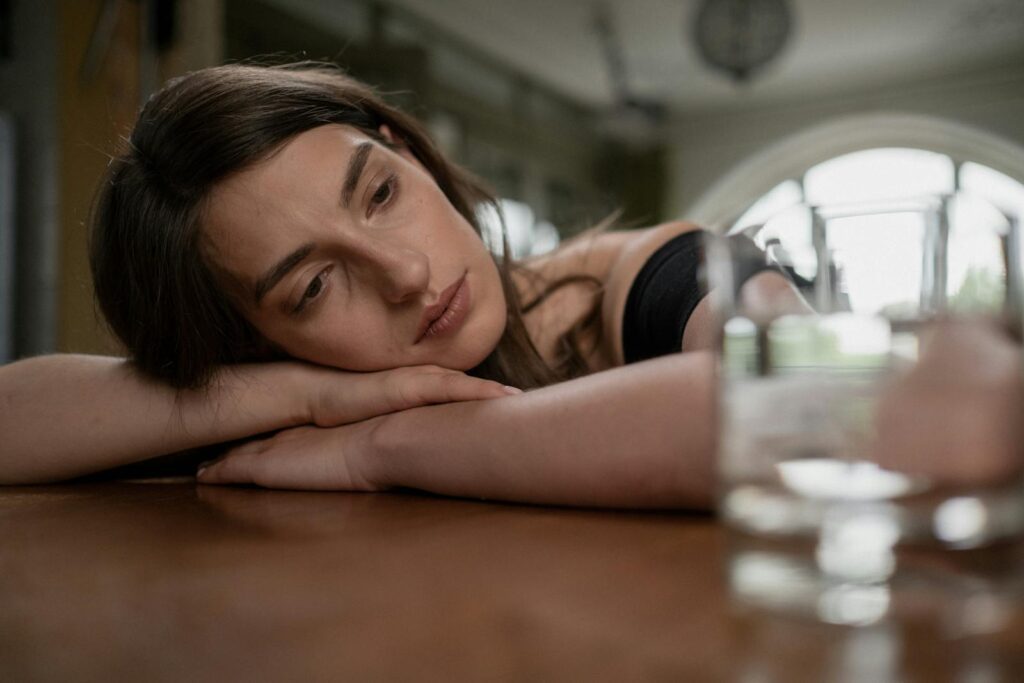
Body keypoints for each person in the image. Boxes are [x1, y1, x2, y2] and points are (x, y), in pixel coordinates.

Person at [0, 64, 1018, 504]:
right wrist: (307, 394)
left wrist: (378, 441)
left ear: (404, 149)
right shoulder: (297, 395)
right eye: (312, 288)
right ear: (251, 337)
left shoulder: (634, 277)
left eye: (380, 192)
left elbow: (810, 398)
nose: (404, 273)